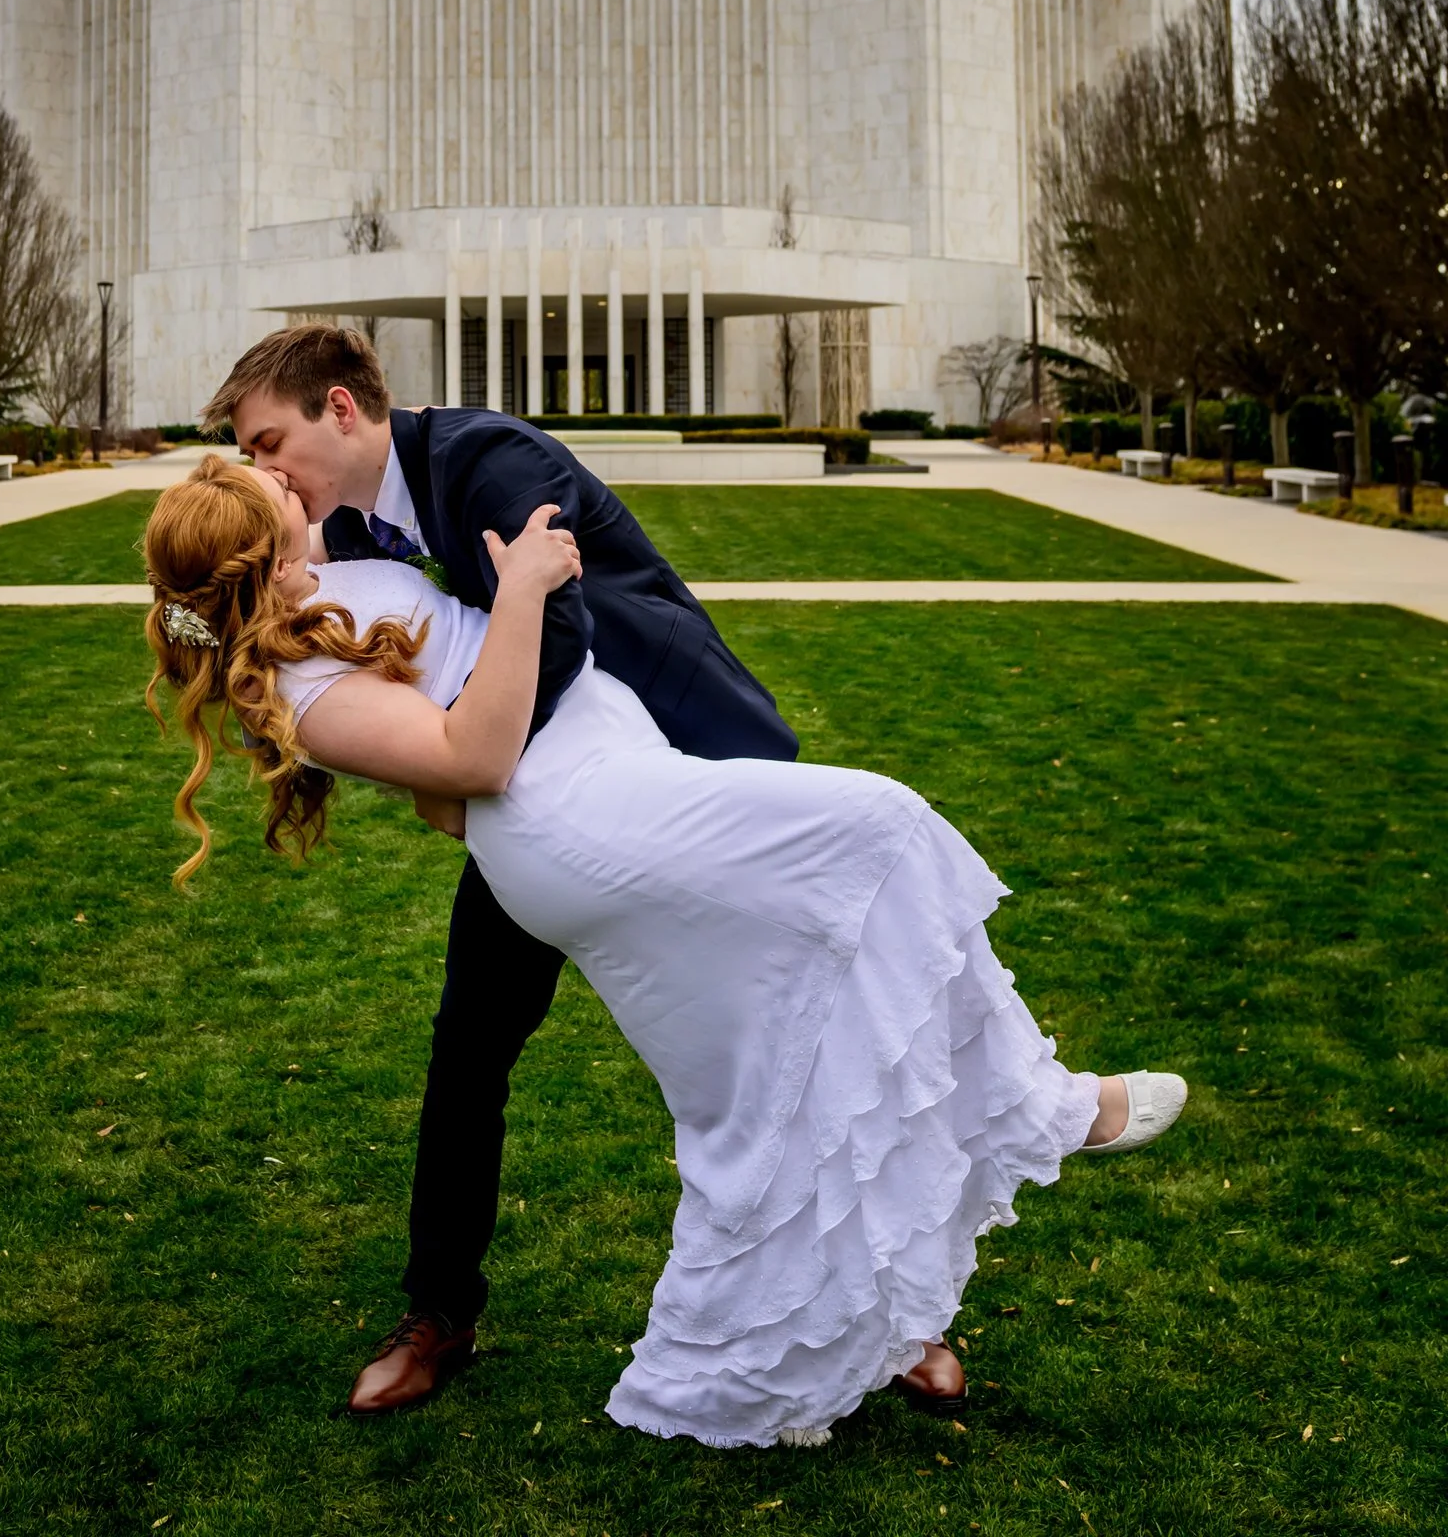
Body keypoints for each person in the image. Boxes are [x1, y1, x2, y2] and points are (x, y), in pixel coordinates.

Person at [143, 451, 1188, 1451]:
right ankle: (1041, 1108)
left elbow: (440, 765)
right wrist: (524, 594)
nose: (277, 472)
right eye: (266, 482)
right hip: (587, 817)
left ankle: (865, 1322)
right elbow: (472, 760)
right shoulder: (297, 685)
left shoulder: (334, 575)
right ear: (264, 560)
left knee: (771, 1052)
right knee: (883, 829)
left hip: (611, 777)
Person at [198, 322, 802, 1415]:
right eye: (249, 455)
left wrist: (450, 781)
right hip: (534, 817)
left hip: (671, 762)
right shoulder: (328, 521)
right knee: (469, 1048)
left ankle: (898, 1312)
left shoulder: (490, 463)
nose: (263, 469)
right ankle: (440, 1315)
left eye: (270, 439)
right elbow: (239, 594)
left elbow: (557, 641)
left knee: (777, 1029)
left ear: (341, 408)